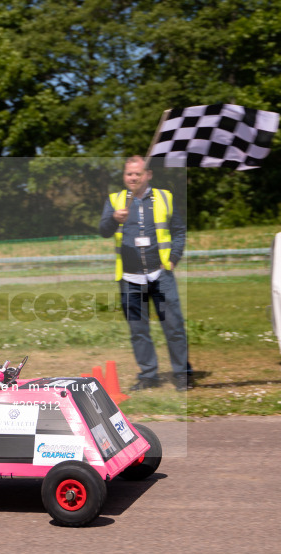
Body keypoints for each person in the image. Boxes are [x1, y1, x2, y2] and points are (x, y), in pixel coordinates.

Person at [99, 156, 193, 391]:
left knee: (173, 326)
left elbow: (179, 231)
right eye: (128, 174)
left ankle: (182, 373)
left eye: (137, 173)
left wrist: (173, 259)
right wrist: (113, 219)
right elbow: (103, 231)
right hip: (130, 278)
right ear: (124, 176)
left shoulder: (165, 197)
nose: (133, 177)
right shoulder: (115, 201)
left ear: (148, 175)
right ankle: (148, 375)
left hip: (160, 275)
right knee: (138, 330)